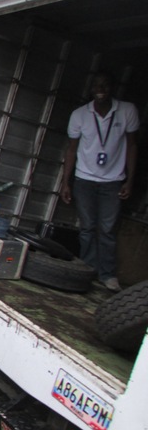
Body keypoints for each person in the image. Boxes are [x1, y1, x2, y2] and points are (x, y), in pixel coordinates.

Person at [60, 72, 139, 292]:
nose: (100, 89)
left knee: (107, 229)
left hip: (113, 181)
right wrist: (66, 182)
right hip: (84, 179)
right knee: (87, 228)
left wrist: (129, 181)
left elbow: (132, 146)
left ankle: (108, 275)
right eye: (96, 85)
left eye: (105, 85)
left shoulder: (127, 111)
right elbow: (71, 150)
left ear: (112, 87)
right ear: (91, 89)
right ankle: (89, 269)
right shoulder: (79, 115)